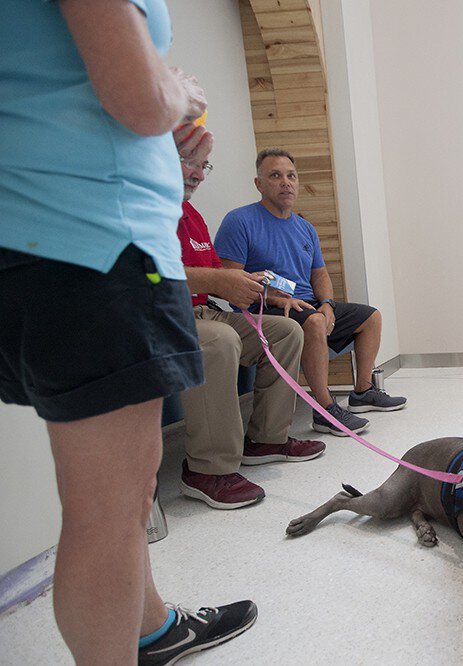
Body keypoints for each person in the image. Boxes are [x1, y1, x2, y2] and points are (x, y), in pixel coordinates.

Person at [0, 1, 256, 663]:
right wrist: (178, 93)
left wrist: (158, 151)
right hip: (95, 249)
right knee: (106, 515)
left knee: (127, 492)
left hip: (56, 243)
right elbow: (141, 101)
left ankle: (152, 627)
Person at [174, 125, 325, 509]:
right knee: (219, 340)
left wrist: (262, 290)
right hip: (164, 315)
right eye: (188, 162)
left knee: (286, 331)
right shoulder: (144, 212)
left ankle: (267, 439)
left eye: (204, 166)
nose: (197, 174)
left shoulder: (191, 214)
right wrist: (220, 280)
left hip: (205, 309)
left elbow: (217, 277)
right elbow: (149, 276)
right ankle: (206, 469)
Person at [214, 148, 406, 437]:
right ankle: (324, 409)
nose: (285, 182)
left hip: (307, 304)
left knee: (371, 317)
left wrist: (327, 303)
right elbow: (229, 282)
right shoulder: (239, 221)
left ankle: (363, 391)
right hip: (263, 308)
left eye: (291, 176)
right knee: (314, 321)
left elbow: (319, 274)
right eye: (275, 175)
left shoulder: (305, 228)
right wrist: (274, 298)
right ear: (259, 184)